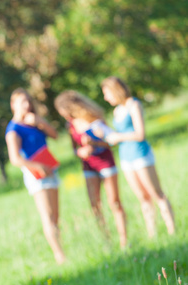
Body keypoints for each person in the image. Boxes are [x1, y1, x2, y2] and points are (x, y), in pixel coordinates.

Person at [100, 76, 175, 237]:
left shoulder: (134, 105)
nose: (106, 98)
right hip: (126, 158)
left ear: (116, 90)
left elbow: (140, 134)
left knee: (156, 193)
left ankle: (172, 230)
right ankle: (152, 233)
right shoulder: (116, 110)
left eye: (107, 93)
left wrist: (118, 137)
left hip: (141, 155)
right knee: (142, 197)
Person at [54, 90, 127, 248]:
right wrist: (80, 152)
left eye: (64, 111)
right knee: (95, 205)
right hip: (88, 166)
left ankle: (124, 240)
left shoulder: (95, 118)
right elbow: (74, 149)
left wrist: (94, 144)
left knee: (114, 202)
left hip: (105, 163)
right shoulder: (71, 126)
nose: (64, 115)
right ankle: (106, 239)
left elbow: (111, 142)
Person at [5, 88, 66, 264]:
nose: (27, 105)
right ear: (13, 105)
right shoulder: (13, 129)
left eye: (28, 101)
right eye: (22, 102)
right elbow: (15, 159)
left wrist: (39, 121)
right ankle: (59, 255)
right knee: (47, 215)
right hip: (36, 174)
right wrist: (37, 166)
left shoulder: (34, 121)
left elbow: (54, 135)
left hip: (50, 169)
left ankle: (60, 249)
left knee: (56, 216)